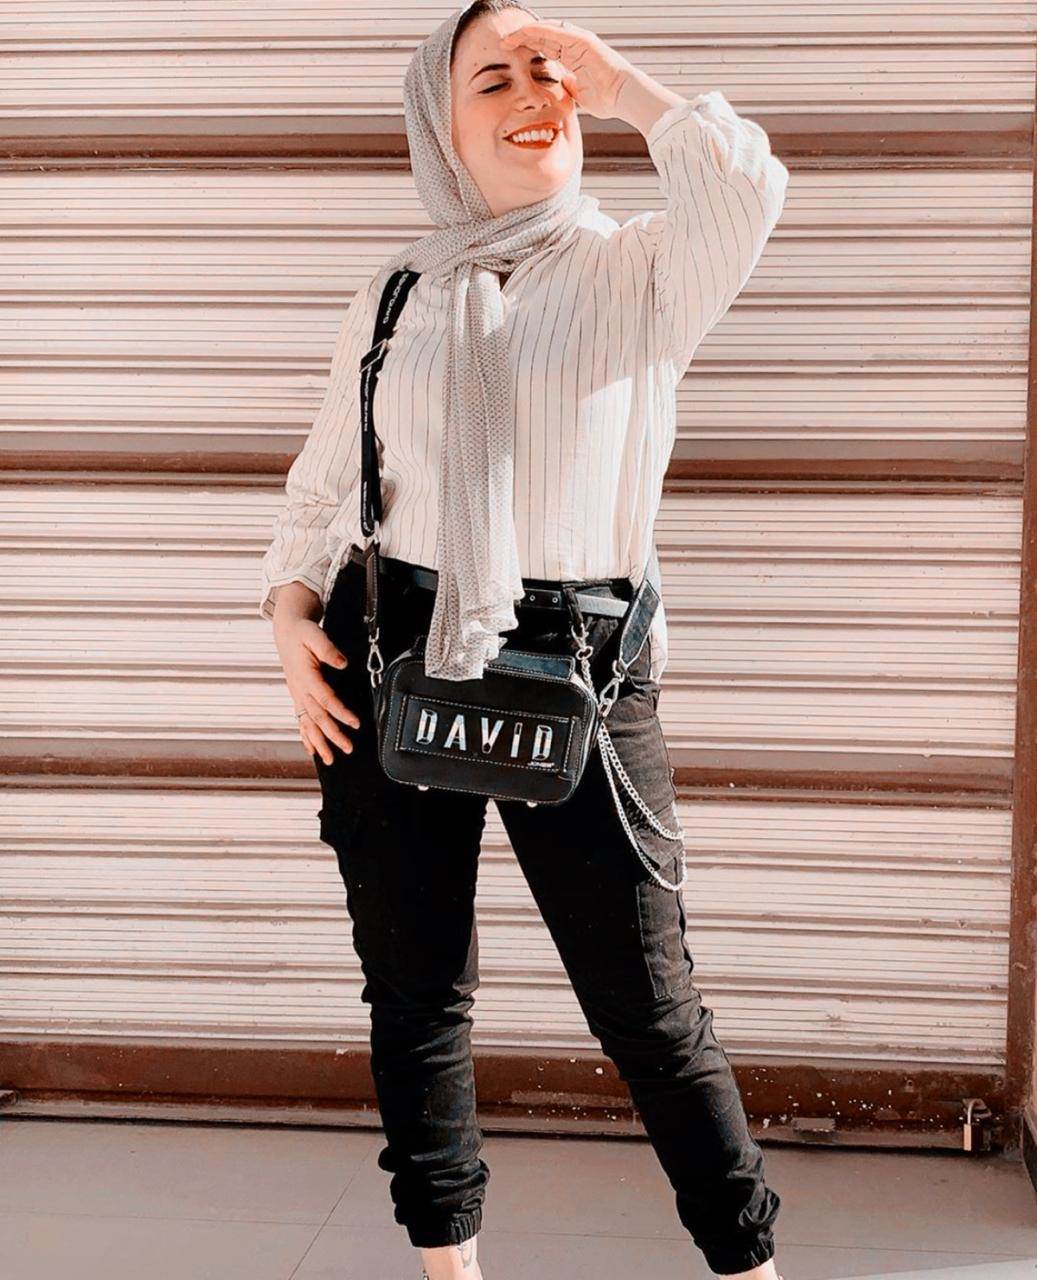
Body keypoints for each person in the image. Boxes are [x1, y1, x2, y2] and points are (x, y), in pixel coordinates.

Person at [259, 4, 789, 1278]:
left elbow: (745, 185)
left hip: (584, 668)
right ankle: (449, 1266)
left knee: (648, 1008)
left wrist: (626, 86)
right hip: (391, 649)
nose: (532, 92)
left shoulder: (640, 269)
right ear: (439, 126)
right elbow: (327, 483)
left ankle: (748, 1263)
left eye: (547, 71)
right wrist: (286, 613)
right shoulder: (398, 289)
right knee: (416, 991)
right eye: (491, 78)